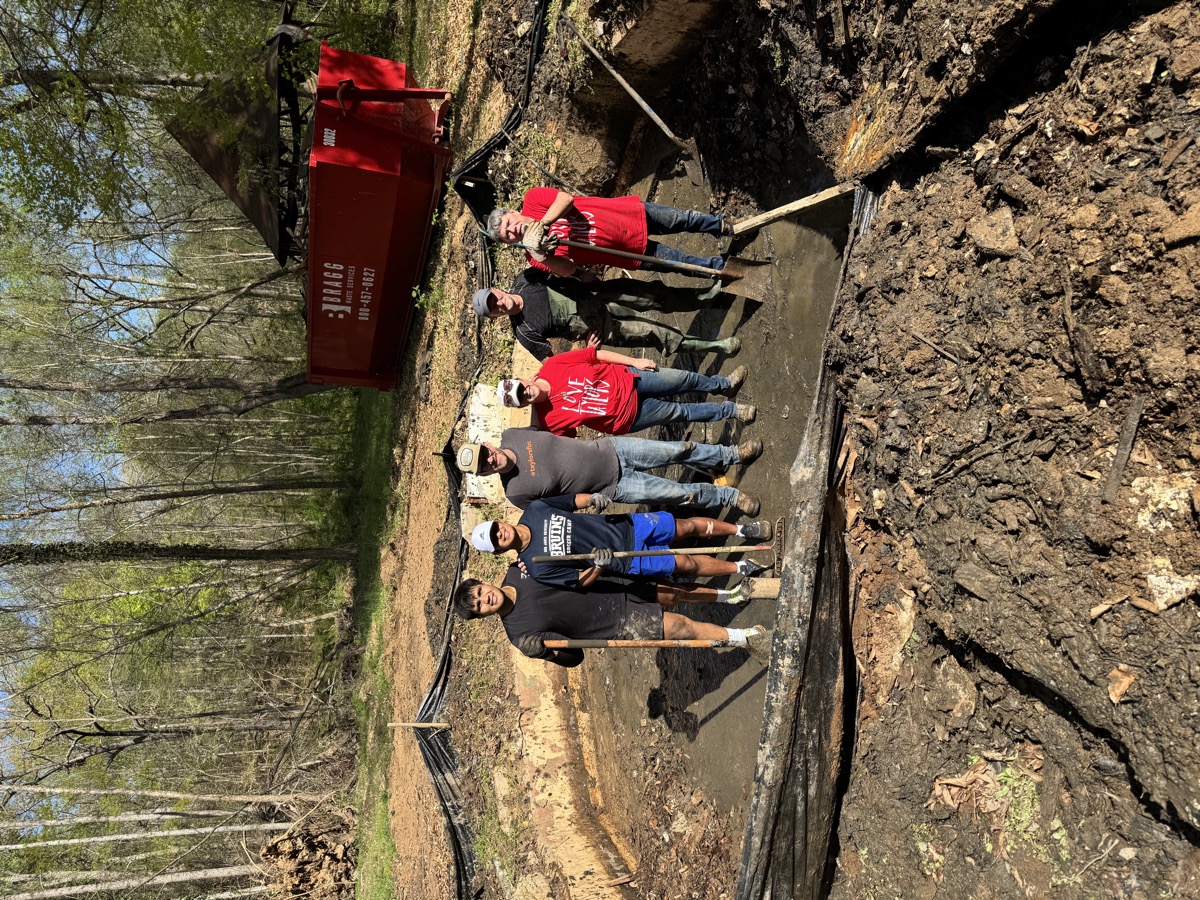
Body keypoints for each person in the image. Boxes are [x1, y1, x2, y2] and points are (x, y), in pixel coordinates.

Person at [452, 566, 773, 667]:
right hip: (616, 623)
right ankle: (746, 637)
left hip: (612, 583)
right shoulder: (522, 637)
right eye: (480, 606)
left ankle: (730, 595)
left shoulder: (520, 569)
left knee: (675, 592)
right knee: (680, 627)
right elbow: (574, 656)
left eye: (480, 593)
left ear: (483, 582)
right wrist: (548, 653)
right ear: (482, 616)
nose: (486, 599)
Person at [469, 495, 773, 589]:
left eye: (496, 529)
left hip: (627, 526)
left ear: (499, 521)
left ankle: (743, 531)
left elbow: (570, 500)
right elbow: (578, 581)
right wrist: (599, 568)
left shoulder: (534, 511)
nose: (501, 535)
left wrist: (594, 499)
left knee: (687, 526)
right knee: (685, 563)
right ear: (498, 551)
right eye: (496, 541)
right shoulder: (536, 568)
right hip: (624, 559)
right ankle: (742, 566)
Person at [456, 427, 763, 515]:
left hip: (613, 449)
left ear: (486, 444)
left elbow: (552, 433)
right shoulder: (516, 492)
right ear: (483, 475)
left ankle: (734, 454)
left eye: (485, 454)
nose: (490, 460)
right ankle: (731, 497)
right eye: (484, 466)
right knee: (683, 494)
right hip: (614, 487)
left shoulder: (513, 435)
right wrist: (590, 501)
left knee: (681, 450)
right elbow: (555, 510)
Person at [470, 267, 741, 359]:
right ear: (496, 317)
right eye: (494, 309)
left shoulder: (526, 279)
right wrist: (588, 352)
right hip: (600, 327)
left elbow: (556, 260)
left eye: (495, 298)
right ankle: (715, 346)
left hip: (600, 293)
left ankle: (706, 297)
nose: (499, 304)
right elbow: (555, 365)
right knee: (655, 334)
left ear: (497, 289)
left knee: (654, 296)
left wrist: (580, 273)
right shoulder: (525, 333)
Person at [496, 345, 756, 437]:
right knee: (682, 411)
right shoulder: (547, 421)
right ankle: (731, 410)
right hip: (629, 416)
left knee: (683, 378)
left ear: (522, 379)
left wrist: (634, 362)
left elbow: (594, 355)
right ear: (521, 406)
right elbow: (567, 444)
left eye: (521, 388)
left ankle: (724, 385)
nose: (525, 393)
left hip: (631, 378)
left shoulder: (553, 365)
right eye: (520, 398)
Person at [485, 188, 731, 277]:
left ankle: (721, 226)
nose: (512, 230)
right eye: (507, 235)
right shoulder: (533, 257)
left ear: (513, 212)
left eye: (508, 223)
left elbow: (565, 199)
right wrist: (542, 255)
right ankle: (718, 270)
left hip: (627, 215)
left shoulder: (533, 200)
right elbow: (570, 270)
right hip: (626, 253)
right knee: (679, 263)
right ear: (510, 242)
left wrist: (545, 224)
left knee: (682, 219)